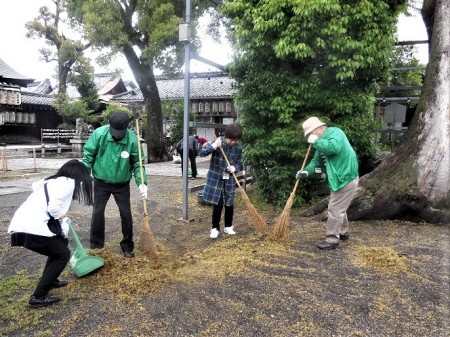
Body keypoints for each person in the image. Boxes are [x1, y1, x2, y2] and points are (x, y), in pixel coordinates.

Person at [7, 160, 94, 308]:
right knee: (62, 254)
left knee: (60, 245)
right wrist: (63, 219)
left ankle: (51, 280)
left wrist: (61, 225)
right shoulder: (67, 183)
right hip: (31, 228)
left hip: (23, 225)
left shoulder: (55, 182)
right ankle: (38, 297)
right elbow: (54, 208)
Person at [82, 111, 148, 258]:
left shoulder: (132, 140)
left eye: (120, 132)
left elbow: (138, 163)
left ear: (127, 128)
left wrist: (142, 183)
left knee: (126, 214)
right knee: (97, 213)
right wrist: (83, 175)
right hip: (101, 182)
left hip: (122, 184)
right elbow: (88, 156)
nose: (116, 135)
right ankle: (96, 246)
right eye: (114, 132)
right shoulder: (99, 134)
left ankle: (127, 246)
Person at [296, 117, 359, 250]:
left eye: (310, 133)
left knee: (335, 208)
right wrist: (306, 172)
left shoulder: (335, 133)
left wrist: (317, 141)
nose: (309, 137)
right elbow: (315, 162)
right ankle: (343, 232)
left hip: (345, 177)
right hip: (337, 179)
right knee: (340, 206)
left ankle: (332, 240)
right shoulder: (321, 143)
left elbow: (333, 148)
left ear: (318, 129)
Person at [199, 124, 243, 239]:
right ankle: (215, 228)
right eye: (230, 139)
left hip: (228, 178)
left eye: (235, 140)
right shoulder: (218, 142)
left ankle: (228, 226)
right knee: (218, 204)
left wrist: (235, 167)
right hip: (216, 178)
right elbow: (202, 153)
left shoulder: (238, 147)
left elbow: (240, 163)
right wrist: (213, 146)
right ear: (226, 136)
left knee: (229, 202)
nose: (232, 142)